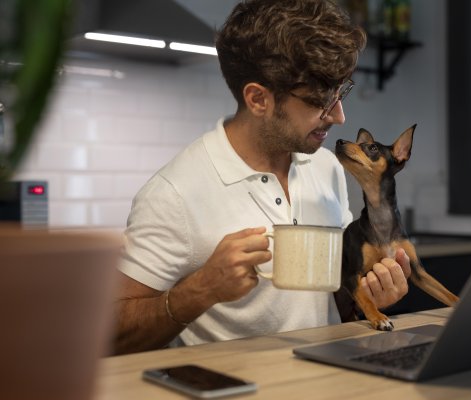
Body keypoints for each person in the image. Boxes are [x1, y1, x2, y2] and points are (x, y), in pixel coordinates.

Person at [114, 0, 412, 355]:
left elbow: (334, 301)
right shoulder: (173, 194)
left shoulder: (327, 167)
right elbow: (110, 334)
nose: (340, 117)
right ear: (258, 99)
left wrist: (371, 295)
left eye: (340, 92)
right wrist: (199, 291)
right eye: (321, 100)